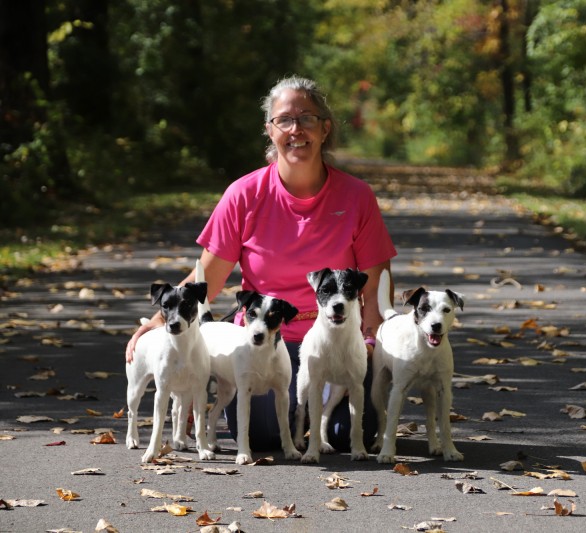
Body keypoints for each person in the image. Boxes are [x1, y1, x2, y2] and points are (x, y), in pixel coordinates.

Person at [125, 75, 397, 452]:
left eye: (307, 118)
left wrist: (368, 341)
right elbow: (209, 277)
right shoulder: (243, 194)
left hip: (337, 340)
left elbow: (374, 283)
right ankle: (240, 395)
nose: (296, 129)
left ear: (325, 128)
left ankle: (311, 412)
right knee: (262, 438)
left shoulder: (357, 196)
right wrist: (155, 324)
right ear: (270, 131)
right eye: (284, 119)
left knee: (347, 437)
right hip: (262, 338)